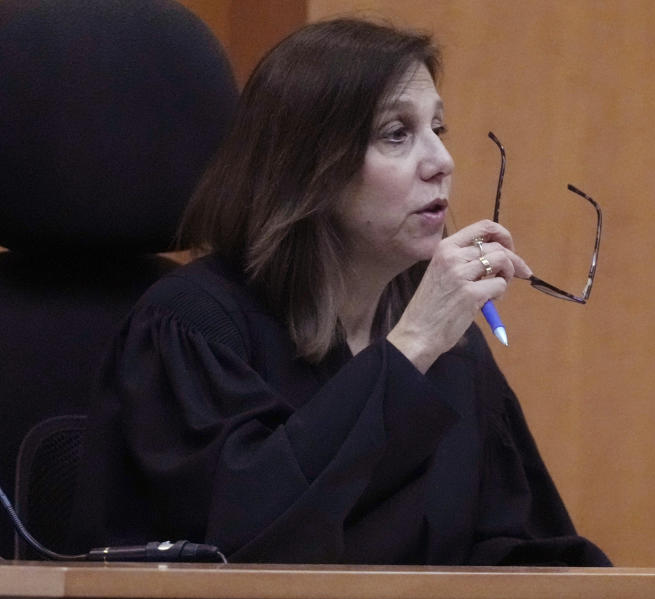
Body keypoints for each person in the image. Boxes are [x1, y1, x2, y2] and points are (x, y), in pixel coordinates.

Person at [68, 17, 610, 566]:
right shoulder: (189, 327)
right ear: (308, 167)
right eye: (396, 134)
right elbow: (245, 544)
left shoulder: (455, 356)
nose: (442, 162)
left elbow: (518, 553)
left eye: (437, 131)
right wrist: (412, 345)